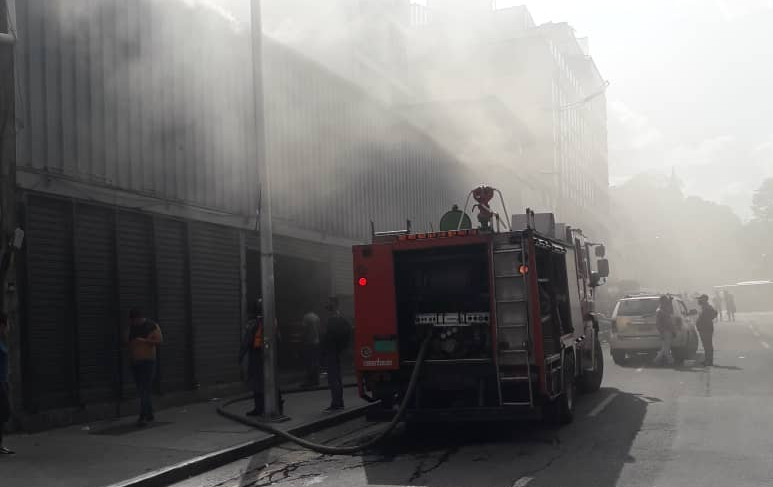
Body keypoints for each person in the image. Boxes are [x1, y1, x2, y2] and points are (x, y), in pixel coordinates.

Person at [239, 299, 283, 416]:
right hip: (268, 354)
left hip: (257, 355)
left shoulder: (253, 323)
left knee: (257, 382)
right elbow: (278, 338)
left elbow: (247, 341)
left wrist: (240, 355)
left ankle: (260, 408)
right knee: (271, 380)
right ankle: (277, 405)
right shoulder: (272, 320)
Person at [126, 308, 163, 426]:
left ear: (139, 318)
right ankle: (149, 415)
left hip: (148, 361)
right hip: (135, 361)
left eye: (134, 321)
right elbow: (127, 341)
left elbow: (159, 340)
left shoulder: (152, 326)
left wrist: (144, 340)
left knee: (144, 388)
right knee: (141, 389)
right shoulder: (131, 327)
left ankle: (144, 416)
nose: (133, 323)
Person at [322, 297, 351, 412]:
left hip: (332, 351)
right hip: (336, 351)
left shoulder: (333, 319)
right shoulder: (341, 319)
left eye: (329, 303)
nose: (326, 305)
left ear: (334, 304)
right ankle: (339, 402)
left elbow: (329, 336)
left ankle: (336, 403)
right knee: (337, 377)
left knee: (333, 378)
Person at [0, 313, 14, 454]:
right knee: (4, 412)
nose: (8, 328)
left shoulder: (2, 340)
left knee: (3, 413)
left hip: (3, 382)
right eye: (7, 324)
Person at [300, 311, 321, 388]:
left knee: (309, 362)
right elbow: (319, 328)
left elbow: (305, 329)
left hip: (309, 342)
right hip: (316, 341)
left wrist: (302, 339)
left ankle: (309, 381)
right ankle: (316, 380)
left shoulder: (306, 317)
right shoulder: (316, 316)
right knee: (315, 361)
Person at [653, 295, 675, 366]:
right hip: (664, 331)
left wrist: (671, 301)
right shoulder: (660, 311)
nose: (667, 302)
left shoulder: (664, 309)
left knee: (665, 347)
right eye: (666, 301)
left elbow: (671, 311)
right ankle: (670, 360)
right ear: (662, 301)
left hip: (668, 330)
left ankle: (656, 360)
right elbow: (658, 323)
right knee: (666, 348)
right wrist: (661, 332)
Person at [697, 294, 718, 366]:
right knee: (706, 345)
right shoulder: (704, 307)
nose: (698, 300)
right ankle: (708, 360)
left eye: (700, 299)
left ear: (704, 299)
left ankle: (709, 361)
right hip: (705, 328)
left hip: (706, 328)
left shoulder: (707, 308)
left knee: (707, 345)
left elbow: (706, 319)